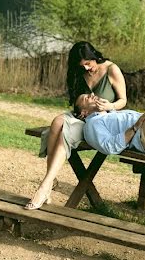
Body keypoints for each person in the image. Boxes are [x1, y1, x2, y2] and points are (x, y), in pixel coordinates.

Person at [26, 41, 126, 210]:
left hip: (101, 120)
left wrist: (109, 106)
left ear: (94, 56)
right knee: (57, 121)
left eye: (88, 63)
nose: (86, 68)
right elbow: (77, 101)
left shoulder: (111, 69)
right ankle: (49, 182)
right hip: (82, 116)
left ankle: (45, 186)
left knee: (63, 132)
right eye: (82, 66)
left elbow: (123, 101)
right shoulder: (80, 72)